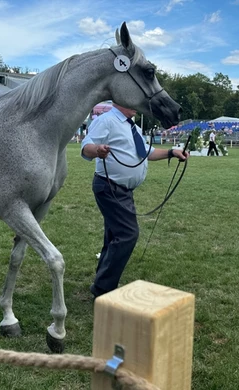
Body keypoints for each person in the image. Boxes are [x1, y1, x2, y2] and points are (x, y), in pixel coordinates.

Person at [81, 103, 189, 299]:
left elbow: (146, 152)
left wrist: (172, 152)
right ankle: (103, 289)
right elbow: (86, 145)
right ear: (120, 102)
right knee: (128, 234)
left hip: (123, 190)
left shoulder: (133, 127)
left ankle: (102, 281)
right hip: (109, 187)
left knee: (115, 235)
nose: (137, 106)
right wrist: (97, 149)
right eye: (133, 102)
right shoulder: (107, 121)